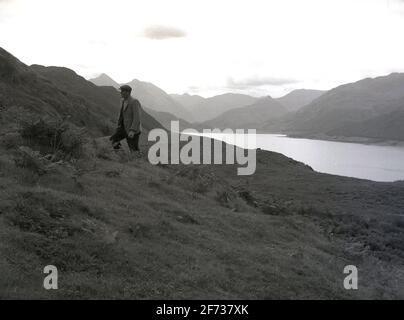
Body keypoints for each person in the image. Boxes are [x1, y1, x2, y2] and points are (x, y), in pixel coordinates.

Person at [109, 85, 143, 156]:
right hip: (123, 128)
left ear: (127, 92)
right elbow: (122, 114)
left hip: (132, 130)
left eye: (122, 91)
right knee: (113, 140)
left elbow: (137, 117)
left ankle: (138, 163)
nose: (120, 93)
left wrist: (132, 130)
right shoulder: (122, 101)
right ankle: (122, 156)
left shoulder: (134, 102)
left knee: (134, 149)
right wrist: (119, 125)